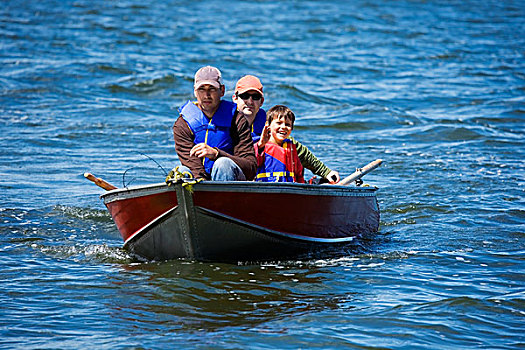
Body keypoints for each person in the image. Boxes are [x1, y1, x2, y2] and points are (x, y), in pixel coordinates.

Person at [232, 75, 340, 183]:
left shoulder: (271, 128)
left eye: (255, 97)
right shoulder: (225, 124)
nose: (250, 101)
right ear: (235, 98)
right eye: (245, 96)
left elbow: (302, 153)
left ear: (261, 101)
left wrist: (326, 172)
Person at [172, 66, 256, 181]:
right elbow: (194, 168)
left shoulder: (237, 120)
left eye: (211, 89)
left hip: (231, 179)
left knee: (223, 163)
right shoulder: (183, 124)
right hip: (201, 183)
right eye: (202, 89)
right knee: (181, 172)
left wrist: (217, 154)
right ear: (195, 92)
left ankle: (223, 197)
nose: (207, 95)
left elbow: (250, 168)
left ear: (222, 90)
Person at [255, 105, 339, 183]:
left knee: (324, 181)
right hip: (268, 187)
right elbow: (253, 163)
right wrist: (261, 145)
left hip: (290, 188)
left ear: (291, 128)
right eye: (279, 123)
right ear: (268, 125)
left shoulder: (292, 148)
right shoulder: (261, 146)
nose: (283, 127)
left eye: (287, 124)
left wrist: (327, 173)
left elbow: (299, 173)